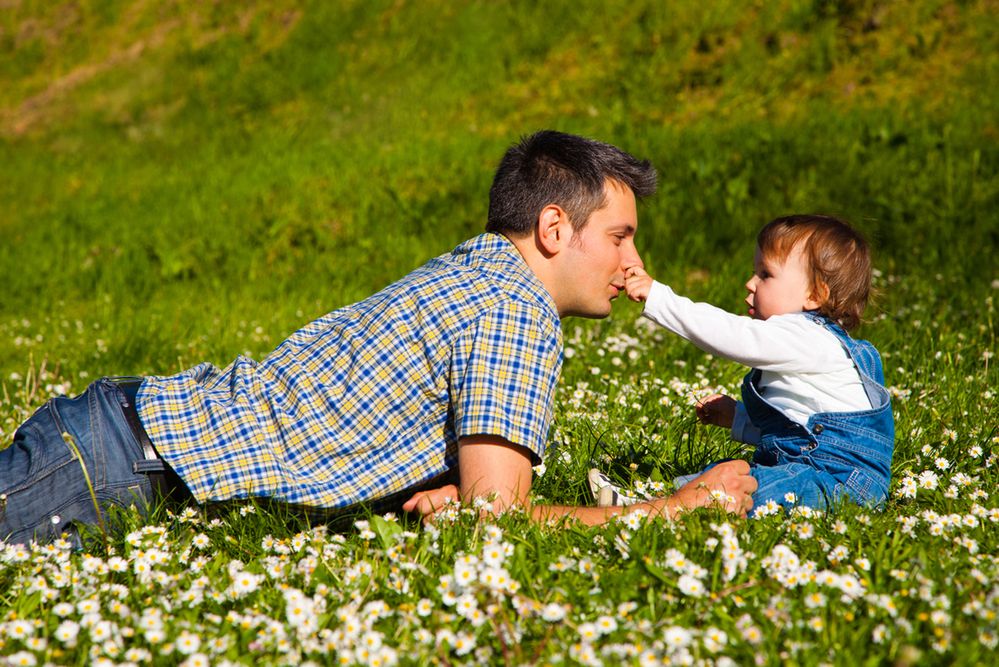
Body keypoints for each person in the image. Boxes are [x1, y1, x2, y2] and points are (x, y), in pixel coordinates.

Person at [0, 130, 757, 546]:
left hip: (115, 443)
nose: (634, 265)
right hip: (114, 468)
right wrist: (675, 506)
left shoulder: (477, 270)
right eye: (620, 237)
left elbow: (460, 487)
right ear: (554, 227)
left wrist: (445, 495)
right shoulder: (515, 311)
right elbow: (502, 520)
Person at [589, 214, 894, 512]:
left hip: (839, 481)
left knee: (758, 486)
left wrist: (660, 298)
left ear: (815, 295)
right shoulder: (805, 342)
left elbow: (733, 335)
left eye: (765, 274)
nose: (750, 283)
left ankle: (662, 509)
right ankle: (659, 502)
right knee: (728, 472)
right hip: (808, 467)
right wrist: (738, 417)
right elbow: (797, 428)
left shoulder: (808, 338)